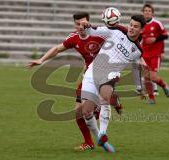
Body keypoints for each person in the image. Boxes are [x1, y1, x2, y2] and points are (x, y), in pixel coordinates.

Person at [27, 12, 122, 151]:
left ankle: (109, 102)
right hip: (88, 77)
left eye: (83, 23)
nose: (80, 27)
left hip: (105, 75)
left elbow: (120, 40)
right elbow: (57, 49)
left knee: (90, 110)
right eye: (77, 24)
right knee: (78, 113)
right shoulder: (74, 38)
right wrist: (41, 60)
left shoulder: (100, 34)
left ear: (88, 23)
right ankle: (89, 142)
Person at [80, 15, 147, 152]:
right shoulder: (116, 31)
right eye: (131, 24)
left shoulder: (138, 50)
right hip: (93, 71)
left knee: (104, 97)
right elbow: (93, 31)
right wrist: (87, 26)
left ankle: (103, 133)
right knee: (86, 111)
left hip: (111, 74)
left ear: (141, 30)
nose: (131, 28)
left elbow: (135, 69)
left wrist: (139, 87)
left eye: (135, 26)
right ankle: (100, 138)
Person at [141, 4, 169, 104]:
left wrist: (155, 39)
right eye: (145, 10)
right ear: (143, 12)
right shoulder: (141, 25)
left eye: (149, 11)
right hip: (144, 55)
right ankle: (152, 98)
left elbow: (165, 35)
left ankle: (164, 85)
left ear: (152, 13)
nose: (147, 12)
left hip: (155, 54)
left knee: (153, 77)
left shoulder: (157, 23)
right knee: (146, 78)